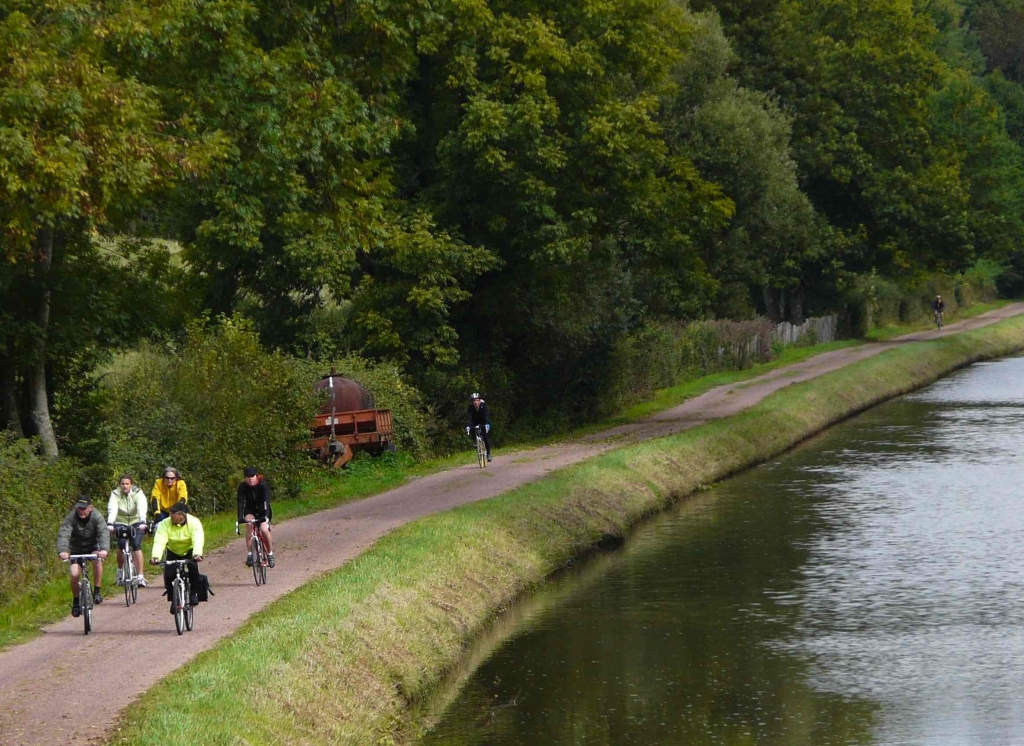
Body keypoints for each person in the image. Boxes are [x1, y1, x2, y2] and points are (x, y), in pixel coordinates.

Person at [57, 497, 110, 616]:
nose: (82, 511)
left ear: (90, 508)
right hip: (76, 548)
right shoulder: (71, 517)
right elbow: (64, 534)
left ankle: (97, 591)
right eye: (79, 508)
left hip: (92, 546)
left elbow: (103, 533)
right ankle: (76, 602)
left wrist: (104, 549)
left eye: (84, 509)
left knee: (97, 560)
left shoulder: (97, 517)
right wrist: (63, 551)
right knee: (74, 573)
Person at [150, 501, 204, 612]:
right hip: (173, 550)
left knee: (193, 568)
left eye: (172, 514)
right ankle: (173, 599)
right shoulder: (165, 523)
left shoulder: (194, 522)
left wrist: (197, 554)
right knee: (169, 574)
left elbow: (197, 539)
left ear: (181, 516)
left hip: (189, 550)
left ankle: (194, 593)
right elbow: (160, 541)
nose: (170, 517)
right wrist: (155, 556)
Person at [106, 474, 148, 588]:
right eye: (122, 484)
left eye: (127, 484)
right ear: (119, 485)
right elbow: (112, 508)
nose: (125, 486)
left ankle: (140, 576)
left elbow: (141, 506)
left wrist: (143, 520)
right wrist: (110, 522)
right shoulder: (115, 494)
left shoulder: (137, 493)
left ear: (131, 484)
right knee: (121, 545)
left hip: (136, 521)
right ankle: (120, 572)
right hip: (121, 521)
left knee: (136, 545)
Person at [237, 466, 274, 568]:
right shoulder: (242, 487)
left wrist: (266, 516)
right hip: (250, 510)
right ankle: (250, 554)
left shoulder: (263, 484)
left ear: (256, 476)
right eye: (248, 477)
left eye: (252, 476)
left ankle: (270, 554)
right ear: (245, 478)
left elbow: (266, 500)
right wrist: (240, 517)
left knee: (264, 529)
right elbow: (240, 502)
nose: (250, 479)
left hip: (263, 510)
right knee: (249, 524)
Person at [466, 392, 493, 462]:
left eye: (477, 400)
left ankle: (488, 454)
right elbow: (469, 418)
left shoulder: (483, 405)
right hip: (475, 422)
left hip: (483, 422)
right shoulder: (470, 408)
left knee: (485, 436)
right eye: (474, 400)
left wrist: (487, 424)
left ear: (479, 400)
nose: (475, 402)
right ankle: (475, 441)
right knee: (471, 428)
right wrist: (468, 426)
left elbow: (486, 415)